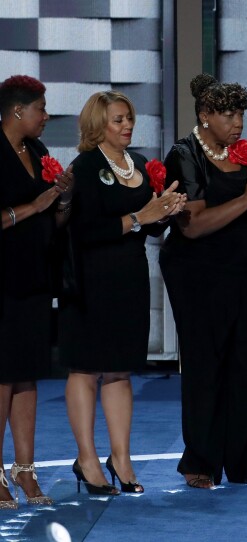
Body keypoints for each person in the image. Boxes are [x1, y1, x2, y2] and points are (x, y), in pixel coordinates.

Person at [160, 74, 247, 489]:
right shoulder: (184, 155)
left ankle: (242, 462)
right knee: (205, 365)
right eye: (228, 114)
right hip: (197, 272)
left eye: (240, 114)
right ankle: (200, 461)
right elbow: (194, 225)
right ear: (205, 115)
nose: (237, 123)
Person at [60, 91, 186, 495]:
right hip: (90, 279)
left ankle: (121, 458)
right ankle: (87, 459)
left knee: (119, 369)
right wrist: (139, 217)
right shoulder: (85, 166)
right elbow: (84, 232)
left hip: (129, 278)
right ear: (98, 124)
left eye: (129, 118)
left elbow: (146, 227)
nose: (127, 125)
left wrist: (164, 212)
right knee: (86, 367)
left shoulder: (137, 164)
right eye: (118, 120)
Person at [0, 75, 73, 508]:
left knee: (27, 375)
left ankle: (25, 470)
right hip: (2, 279)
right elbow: (24, 213)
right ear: (16, 110)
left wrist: (62, 201)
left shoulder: (39, 152)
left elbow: (50, 221)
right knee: (2, 376)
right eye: (40, 109)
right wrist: (35, 206)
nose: (45, 117)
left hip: (33, 276)